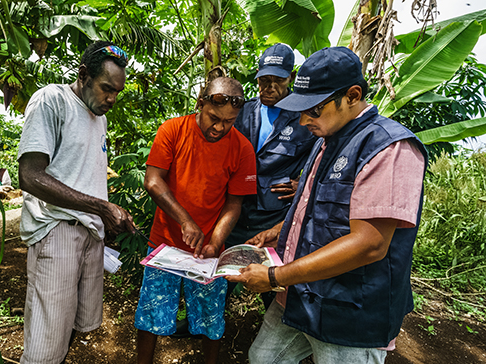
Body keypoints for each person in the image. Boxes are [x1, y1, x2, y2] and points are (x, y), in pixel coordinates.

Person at [227, 47, 428, 364]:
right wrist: (280, 231)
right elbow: (320, 209)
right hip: (301, 297)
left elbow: (369, 244)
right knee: (264, 357)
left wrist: (276, 277)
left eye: (315, 110)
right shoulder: (326, 139)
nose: (304, 119)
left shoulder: (388, 147)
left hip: (348, 310)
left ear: (352, 95)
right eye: (302, 109)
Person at [17, 41, 135, 364]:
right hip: (57, 232)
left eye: (117, 92)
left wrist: (106, 220)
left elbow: (84, 175)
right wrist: (100, 208)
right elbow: (29, 176)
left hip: (89, 235)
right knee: (44, 342)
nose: (112, 99)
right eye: (106, 89)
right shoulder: (52, 101)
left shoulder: (100, 118)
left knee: (69, 328)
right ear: (83, 75)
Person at [135, 77, 258, 364]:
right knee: (151, 313)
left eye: (229, 121)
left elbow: (234, 203)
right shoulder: (173, 130)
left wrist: (215, 242)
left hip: (207, 252)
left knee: (210, 317)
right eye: (214, 118)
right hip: (164, 242)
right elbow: (153, 181)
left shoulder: (242, 149)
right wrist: (185, 221)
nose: (219, 127)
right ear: (200, 104)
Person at [224, 43, 316, 307]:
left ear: (292, 78)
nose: (269, 87)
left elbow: (319, 158)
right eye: (264, 81)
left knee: (271, 278)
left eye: (278, 81)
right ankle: (207, 326)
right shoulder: (243, 111)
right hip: (237, 206)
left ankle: (274, 331)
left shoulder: (303, 118)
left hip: (274, 214)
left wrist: (303, 186)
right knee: (226, 270)